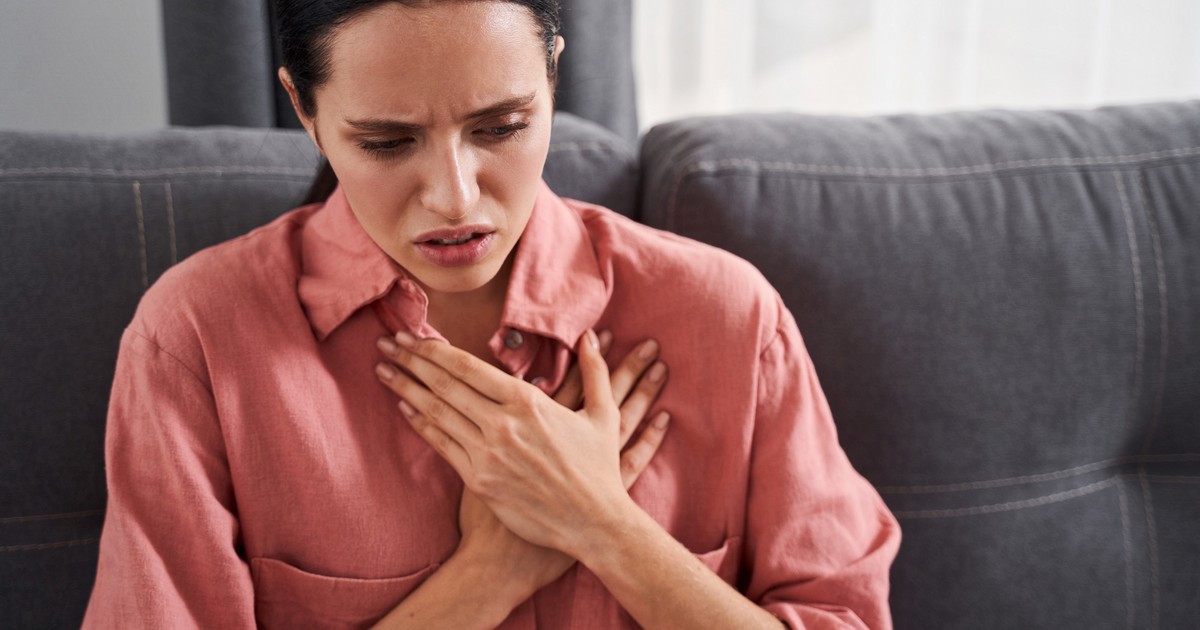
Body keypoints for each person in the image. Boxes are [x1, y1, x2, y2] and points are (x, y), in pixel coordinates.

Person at [83, 0, 900, 628]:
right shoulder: (197, 342)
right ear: (305, 108)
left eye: (502, 127)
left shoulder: (727, 318)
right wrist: (488, 576)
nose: (455, 197)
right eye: (387, 142)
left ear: (553, 75)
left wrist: (604, 526)